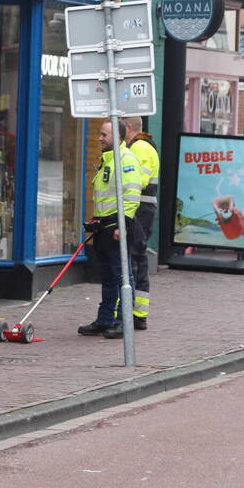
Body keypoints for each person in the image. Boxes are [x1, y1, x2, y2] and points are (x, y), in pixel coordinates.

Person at [78, 119, 144, 339]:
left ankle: (123, 322)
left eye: (104, 135)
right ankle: (105, 319)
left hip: (117, 226)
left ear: (118, 137)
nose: (99, 138)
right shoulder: (108, 160)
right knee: (107, 276)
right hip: (104, 226)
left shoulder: (126, 160)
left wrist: (122, 225)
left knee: (122, 276)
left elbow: (131, 196)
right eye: (100, 134)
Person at [120, 115, 159, 333]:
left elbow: (138, 181)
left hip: (139, 211)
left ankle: (136, 314)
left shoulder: (140, 148)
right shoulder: (141, 146)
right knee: (136, 260)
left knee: (135, 260)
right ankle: (136, 312)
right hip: (142, 210)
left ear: (130, 127)